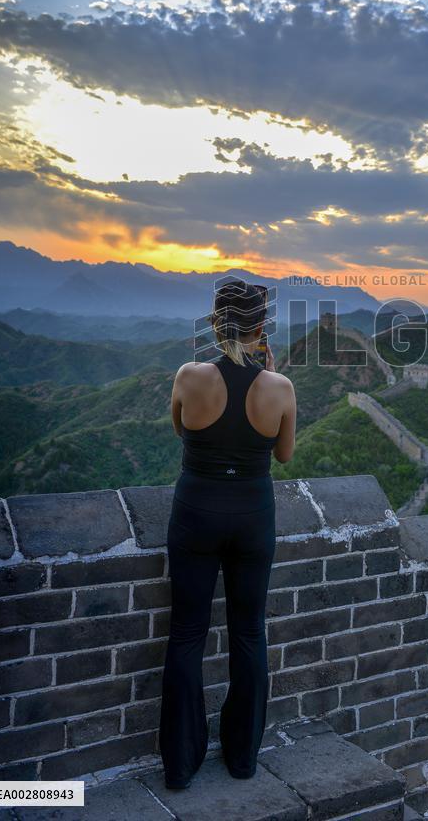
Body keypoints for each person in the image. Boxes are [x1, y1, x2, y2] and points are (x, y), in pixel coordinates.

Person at [158, 280, 296, 789]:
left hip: (195, 511)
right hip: (253, 517)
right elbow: (283, 455)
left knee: (187, 634)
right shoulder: (279, 387)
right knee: (249, 631)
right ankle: (242, 758)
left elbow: (182, 430)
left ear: (216, 325)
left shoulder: (189, 375)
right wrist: (269, 377)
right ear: (262, 328)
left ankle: (179, 763)